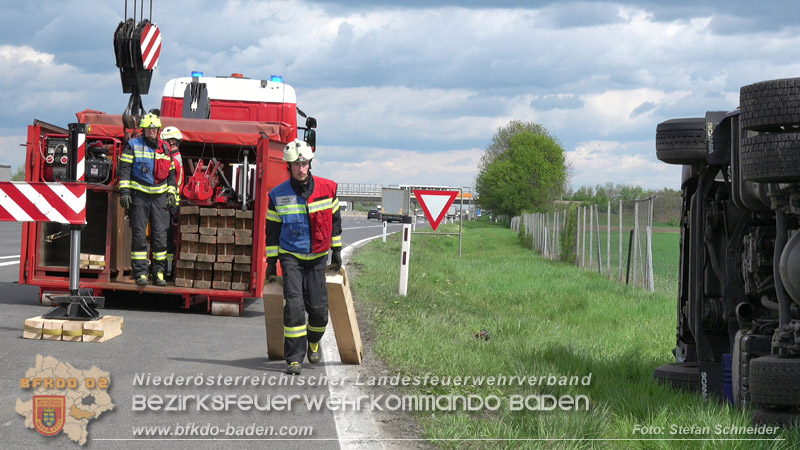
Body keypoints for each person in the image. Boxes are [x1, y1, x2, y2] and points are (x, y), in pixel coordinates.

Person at [266, 139, 342, 375]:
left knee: (319, 311)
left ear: (310, 164)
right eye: (296, 164)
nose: (301, 168)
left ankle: (313, 341)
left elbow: (336, 222)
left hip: (318, 257)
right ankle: (294, 359)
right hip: (291, 258)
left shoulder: (327, 189)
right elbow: (272, 232)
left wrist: (337, 250)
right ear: (288, 166)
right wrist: (271, 262)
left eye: (304, 164)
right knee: (295, 308)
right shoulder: (277, 195)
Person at [118, 113, 177, 286]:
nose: (152, 131)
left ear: (158, 129)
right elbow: (125, 170)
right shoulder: (133, 146)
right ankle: (141, 273)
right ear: (144, 129)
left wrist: (172, 193)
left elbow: (171, 174)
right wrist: (125, 192)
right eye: (149, 128)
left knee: (160, 236)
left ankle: (158, 273)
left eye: (154, 128)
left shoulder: (165, 147)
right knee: (139, 236)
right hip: (139, 197)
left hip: (159, 198)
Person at [160, 126, 184, 277]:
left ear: (172, 141)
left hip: (167, 202)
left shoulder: (172, 159)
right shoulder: (178, 157)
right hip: (172, 202)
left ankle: (164, 269)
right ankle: (167, 269)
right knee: (167, 237)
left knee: (163, 238)